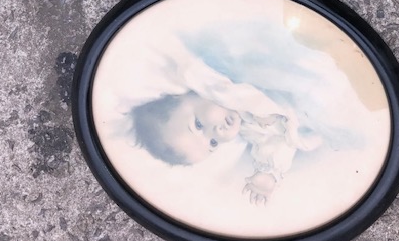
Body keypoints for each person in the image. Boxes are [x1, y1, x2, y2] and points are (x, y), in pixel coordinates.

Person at [127, 21, 364, 205]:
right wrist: (267, 173)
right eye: (213, 143)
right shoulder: (251, 128)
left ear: (181, 97)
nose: (219, 131)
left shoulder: (206, 80)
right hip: (306, 100)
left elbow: (192, 58)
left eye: (198, 125)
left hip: (282, 59)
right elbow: (276, 143)